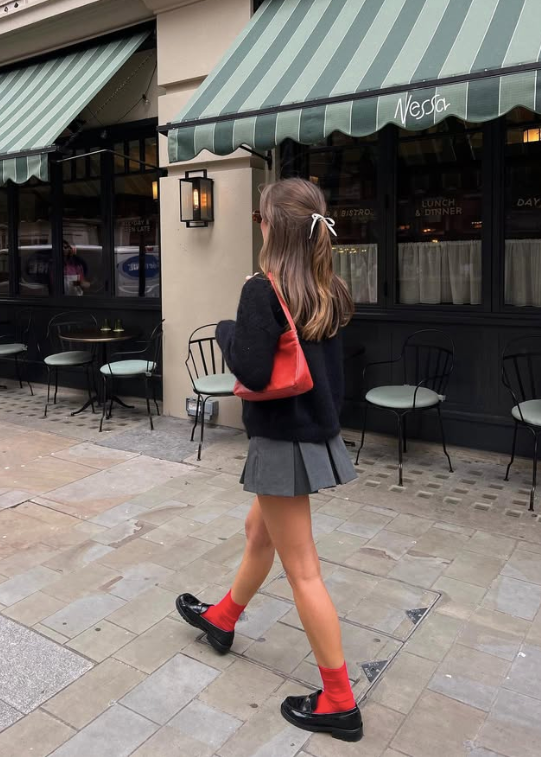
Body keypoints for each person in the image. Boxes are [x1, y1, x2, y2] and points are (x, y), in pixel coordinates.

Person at [176, 178, 363, 742]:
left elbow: (254, 371)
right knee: (259, 533)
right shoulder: (327, 287)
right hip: (312, 431)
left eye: (259, 217)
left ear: (268, 226)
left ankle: (339, 702)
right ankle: (222, 619)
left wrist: (228, 330)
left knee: (303, 570)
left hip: (283, 441)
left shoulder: (263, 289)